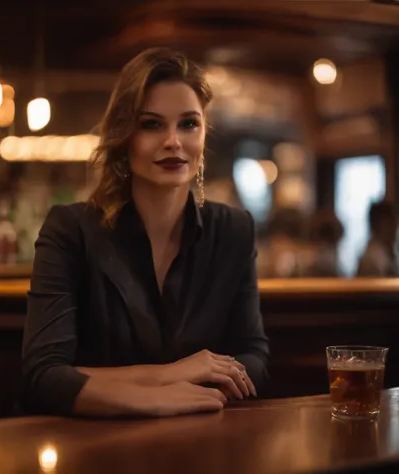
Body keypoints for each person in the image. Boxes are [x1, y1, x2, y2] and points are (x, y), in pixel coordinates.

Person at [22, 47, 269, 418]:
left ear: (204, 132)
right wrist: (173, 378)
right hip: (92, 451)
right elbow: (42, 377)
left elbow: (254, 359)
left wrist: (95, 381)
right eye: (151, 124)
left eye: (189, 123)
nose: (173, 141)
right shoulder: (70, 231)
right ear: (124, 136)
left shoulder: (234, 230)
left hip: (203, 444)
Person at [357, 200, 398, 277]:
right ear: (377, 225)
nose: (394, 229)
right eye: (390, 224)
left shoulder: (385, 252)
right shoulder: (371, 258)